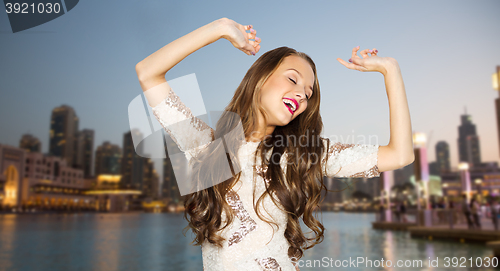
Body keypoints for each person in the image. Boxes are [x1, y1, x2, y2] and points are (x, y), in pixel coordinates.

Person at [135, 17, 413, 271]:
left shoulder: (303, 154)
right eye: (292, 79)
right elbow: (148, 72)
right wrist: (220, 29)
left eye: (308, 93)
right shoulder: (206, 146)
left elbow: (400, 155)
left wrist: (391, 70)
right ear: (260, 79)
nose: (302, 95)